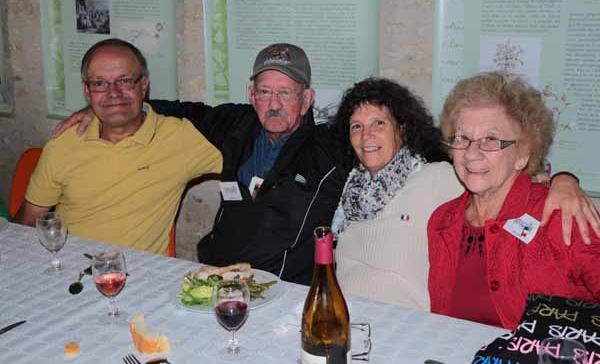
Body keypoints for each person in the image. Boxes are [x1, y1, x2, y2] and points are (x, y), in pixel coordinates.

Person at [53, 44, 598, 285]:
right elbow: (168, 106)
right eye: (264, 91)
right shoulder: (232, 124)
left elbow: (465, 153)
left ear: (308, 99)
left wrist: (560, 178)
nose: (274, 104)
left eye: (286, 93)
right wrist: (105, 104)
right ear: (251, 94)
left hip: (282, 289)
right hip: (213, 275)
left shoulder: (334, 146)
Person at [15, 38, 223, 255]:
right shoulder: (64, 143)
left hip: (138, 271)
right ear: (87, 91)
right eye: (99, 84)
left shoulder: (180, 138)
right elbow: (27, 223)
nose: (113, 93)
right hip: (72, 266)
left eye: (124, 81)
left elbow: (244, 140)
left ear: (144, 86)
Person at [428, 71, 600, 330]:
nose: (472, 153)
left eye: (490, 139)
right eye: (462, 138)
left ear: (522, 155)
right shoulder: (442, 222)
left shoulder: (561, 215)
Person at [331, 77, 462, 310]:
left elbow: (496, 193)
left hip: (406, 322)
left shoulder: (436, 178)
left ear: (402, 129)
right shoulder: (351, 187)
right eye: (356, 126)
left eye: (378, 123)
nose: (366, 135)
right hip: (346, 315)